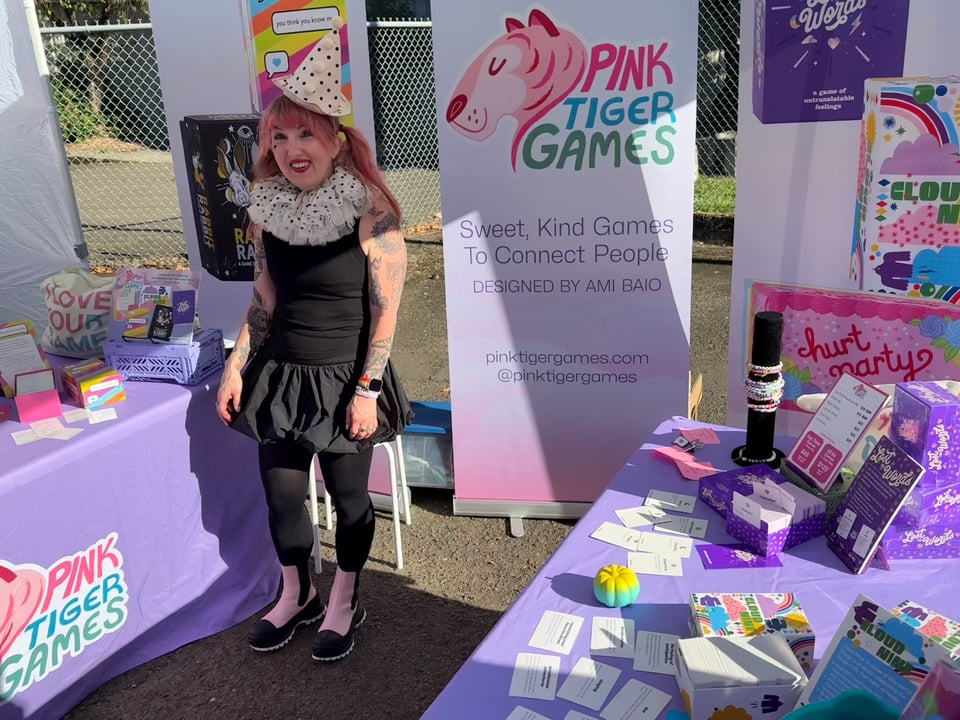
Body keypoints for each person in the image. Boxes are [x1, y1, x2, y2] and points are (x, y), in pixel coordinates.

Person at [215, 18, 412, 662]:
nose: (293, 146)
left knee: (351, 499)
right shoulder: (266, 208)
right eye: (281, 134)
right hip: (280, 373)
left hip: (346, 377)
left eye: (307, 132)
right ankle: (296, 592)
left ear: (335, 140)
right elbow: (263, 295)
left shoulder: (371, 210)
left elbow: (385, 312)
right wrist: (236, 365)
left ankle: (345, 596)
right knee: (280, 496)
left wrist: (366, 390)